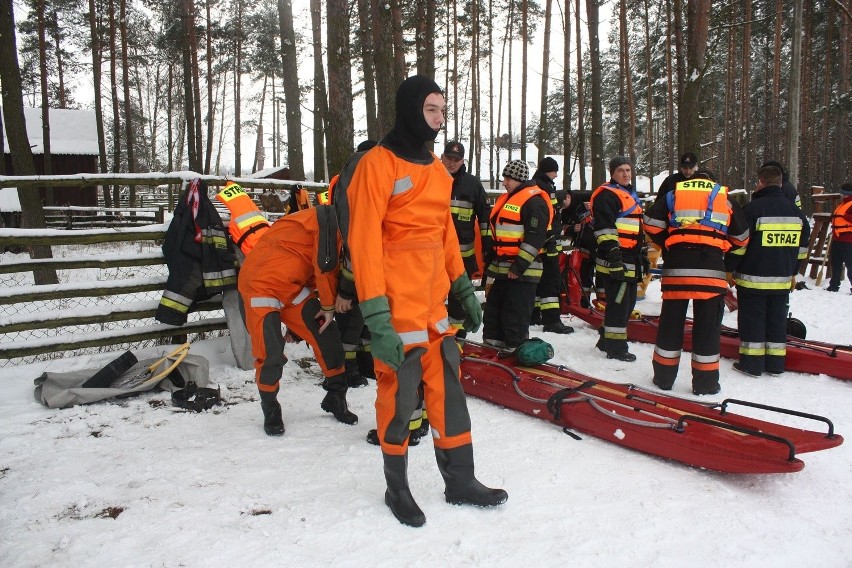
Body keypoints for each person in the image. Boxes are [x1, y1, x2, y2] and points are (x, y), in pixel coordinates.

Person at [346, 75, 507, 528]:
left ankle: (461, 481)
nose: (438, 119)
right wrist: (376, 315)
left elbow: (445, 236)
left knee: (450, 398)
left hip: (435, 313)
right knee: (396, 404)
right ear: (410, 109)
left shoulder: (438, 171)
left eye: (442, 110)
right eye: (431, 109)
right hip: (396, 312)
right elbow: (363, 243)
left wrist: (462, 287)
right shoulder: (375, 165)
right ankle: (396, 488)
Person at [237, 205, 358, 436]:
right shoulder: (329, 222)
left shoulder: (343, 224)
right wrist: (328, 306)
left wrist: (301, 326)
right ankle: (271, 410)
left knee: (327, 335)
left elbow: (312, 267)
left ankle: (336, 398)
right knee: (271, 353)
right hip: (261, 285)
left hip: (293, 286)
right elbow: (325, 268)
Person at [644, 170, 750, 395]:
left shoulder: (674, 195)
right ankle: (706, 384)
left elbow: (650, 225)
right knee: (707, 329)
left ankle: (663, 378)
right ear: (711, 182)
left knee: (670, 325)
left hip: (677, 271)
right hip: (711, 272)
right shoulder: (724, 198)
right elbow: (742, 239)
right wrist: (721, 251)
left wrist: (670, 244)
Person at [729, 165, 810, 376]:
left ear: (760, 183)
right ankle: (775, 365)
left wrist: (728, 268)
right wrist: (793, 272)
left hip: (753, 280)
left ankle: (752, 365)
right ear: (781, 183)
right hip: (782, 281)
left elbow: (739, 246)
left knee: (753, 321)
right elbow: (802, 249)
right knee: (776, 322)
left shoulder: (753, 210)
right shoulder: (796, 213)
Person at [482, 159, 553, 350]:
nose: (504, 183)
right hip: (503, 269)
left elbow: (535, 239)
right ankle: (492, 349)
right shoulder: (510, 198)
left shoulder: (535, 203)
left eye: (508, 179)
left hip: (522, 272)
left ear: (519, 179)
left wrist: (519, 266)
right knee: (493, 312)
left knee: (515, 315)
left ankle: (514, 350)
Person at [591, 156, 646, 362]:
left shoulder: (629, 194)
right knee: (619, 303)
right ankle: (616, 348)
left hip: (631, 257)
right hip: (614, 257)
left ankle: (606, 340)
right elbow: (604, 228)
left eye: (628, 170)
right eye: (621, 170)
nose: (625, 174)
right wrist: (614, 256)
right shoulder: (607, 195)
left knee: (628, 302)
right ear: (612, 173)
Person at [441, 140, 492, 339]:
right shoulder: (430, 178)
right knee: (431, 299)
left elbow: (485, 216)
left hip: (463, 255)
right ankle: (432, 341)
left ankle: (458, 339)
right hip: (433, 254)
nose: (452, 163)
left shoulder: (472, 184)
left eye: (456, 159)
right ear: (442, 157)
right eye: (448, 158)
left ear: (463, 161)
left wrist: (488, 245)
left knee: (459, 300)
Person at [530, 157, 574, 334]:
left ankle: (534, 315)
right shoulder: (545, 187)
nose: (556, 175)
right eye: (555, 171)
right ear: (548, 170)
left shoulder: (535, 184)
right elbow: (548, 215)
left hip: (538, 241)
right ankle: (552, 320)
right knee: (551, 279)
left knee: (538, 280)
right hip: (548, 241)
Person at [826, 182, 852, 293]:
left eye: (843, 193)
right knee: (835, 264)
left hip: (848, 239)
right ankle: (834, 285)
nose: (841, 195)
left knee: (850, 265)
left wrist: (846, 216)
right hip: (837, 238)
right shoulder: (842, 205)